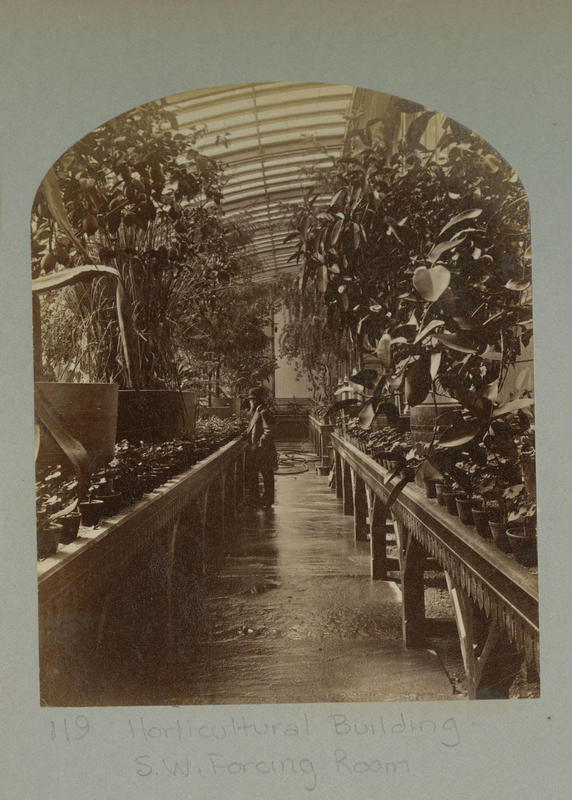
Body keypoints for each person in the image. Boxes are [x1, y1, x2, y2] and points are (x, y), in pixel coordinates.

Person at [245, 386, 277, 508]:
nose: (250, 402)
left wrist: (260, 443)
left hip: (263, 450)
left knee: (266, 474)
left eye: (251, 400)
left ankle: (266, 500)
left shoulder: (264, 412)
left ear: (256, 400)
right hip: (259, 450)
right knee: (260, 473)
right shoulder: (257, 411)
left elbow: (269, 430)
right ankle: (258, 499)